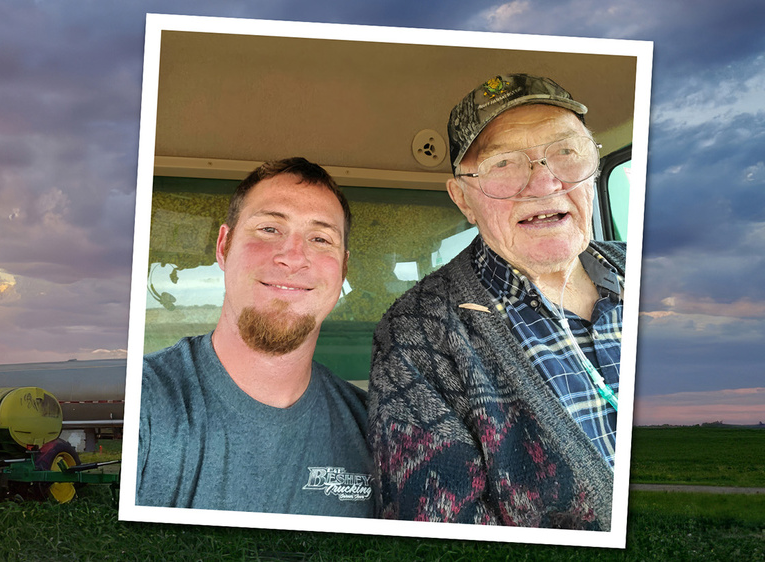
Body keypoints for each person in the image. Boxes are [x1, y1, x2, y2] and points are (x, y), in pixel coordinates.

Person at [368, 74, 624, 530]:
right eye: (504, 164)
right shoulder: (417, 330)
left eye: (566, 151)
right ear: (464, 199)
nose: (545, 183)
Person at [136, 157, 375, 517]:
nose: (293, 258)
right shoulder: (145, 403)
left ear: (343, 270)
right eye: (269, 229)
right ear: (223, 246)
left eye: (320, 238)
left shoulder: (378, 432)